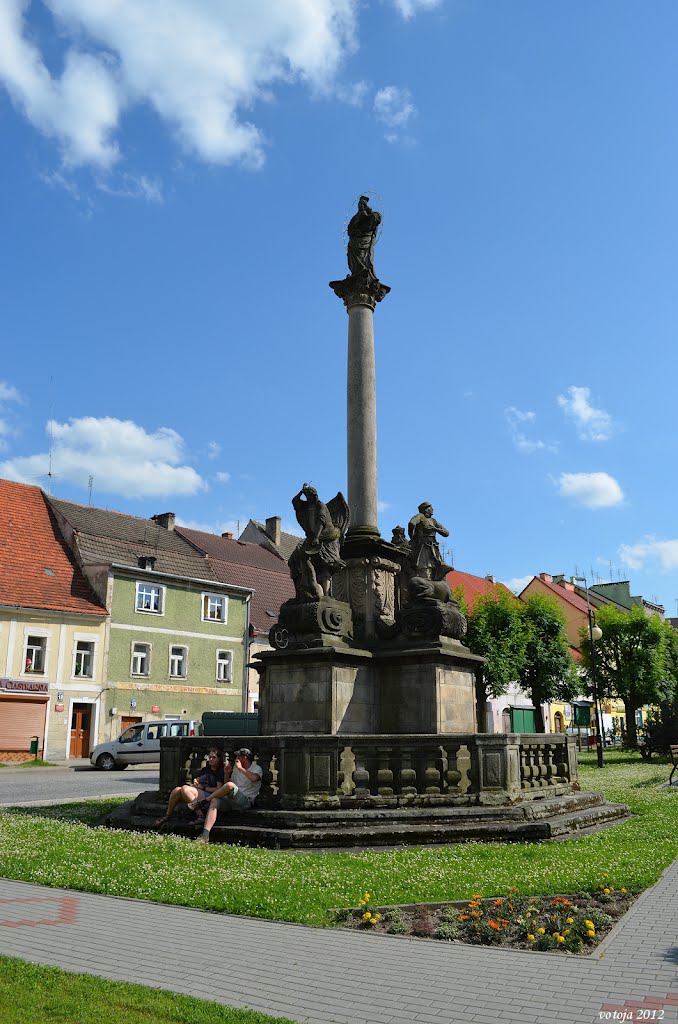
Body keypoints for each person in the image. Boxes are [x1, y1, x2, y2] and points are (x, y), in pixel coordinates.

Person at [196, 748, 263, 844]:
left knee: (229, 786)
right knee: (215, 800)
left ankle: (205, 801)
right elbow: (227, 786)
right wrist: (227, 774)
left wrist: (240, 768)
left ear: (244, 757)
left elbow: (254, 778)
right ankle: (205, 835)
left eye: (238, 756)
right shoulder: (236, 769)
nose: (236, 758)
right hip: (232, 799)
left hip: (246, 801)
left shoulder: (256, 768)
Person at [155, 749, 225, 828]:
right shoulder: (205, 770)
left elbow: (219, 789)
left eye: (214, 757)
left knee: (185, 788)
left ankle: (201, 816)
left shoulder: (220, 771)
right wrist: (196, 780)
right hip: (199, 791)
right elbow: (199, 779)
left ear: (219, 759)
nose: (211, 759)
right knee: (177, 790)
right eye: (210, 757)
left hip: (210, 795)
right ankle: (167, 815)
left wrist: (203, 788)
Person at [407, 502, 450, 580]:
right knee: (425, 567)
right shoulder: (420, 516)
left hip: (434, 548)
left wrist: (436, 529)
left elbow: (446, 533)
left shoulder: (433, 521)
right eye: (430, 508)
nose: (432, 509)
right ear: (426, 509)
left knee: (438, 568)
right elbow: (412, 523)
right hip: (423, 546)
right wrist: (413, 537)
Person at [347, 195, 382, 277]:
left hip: (365, 239)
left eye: (362, 204)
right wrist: (354, 231)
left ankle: (364, 269)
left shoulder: (372, 215)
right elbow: (349, 229)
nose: (360, 205)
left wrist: (367, 215)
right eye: (359, 204)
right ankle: (357, 271)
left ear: (365, 206)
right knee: (354, 254)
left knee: (363, 255)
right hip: (354, 240)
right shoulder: (355, 217)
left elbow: (375, 220)